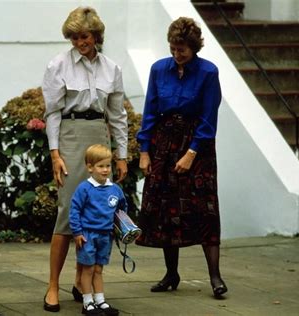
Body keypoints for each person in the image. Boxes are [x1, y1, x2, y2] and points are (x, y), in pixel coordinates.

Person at [42, 6, 128, 312]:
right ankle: (53, 286)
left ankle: (82, 281)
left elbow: (117, 115)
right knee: (68, 212)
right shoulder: (58, 65)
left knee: (98, 213)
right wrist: (55, 154)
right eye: (75, 37)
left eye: (86, 36)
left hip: (99, 134)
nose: (81, 42)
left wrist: (122, 155)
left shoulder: (111, 68)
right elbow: (52, 112)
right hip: (70, 135)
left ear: (96, 36)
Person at [135, 17, 227, 298]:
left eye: (182, 50)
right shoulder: (159, 69)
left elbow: (209, 118)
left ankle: (215, 276)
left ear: (194, 47)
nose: (177, 55)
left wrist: (191, 153)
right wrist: (144, 150)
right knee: (166, 208)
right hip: (163, 142)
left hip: (196, 143)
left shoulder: (208, 72)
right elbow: (150, 109)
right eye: (173, 49)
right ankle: (171, 273)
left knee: (205, 209)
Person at [69, 144, 123, 316]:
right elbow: (74, 210)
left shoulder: (115, 189)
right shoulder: (84, 188)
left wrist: (121, 228)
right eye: (101, 166)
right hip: (87, 236)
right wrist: (77, 233)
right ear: (90, 167)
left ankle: (100, 301)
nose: (105, 170)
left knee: (99, 270)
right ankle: (87, 303)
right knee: (88, 269)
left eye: (108, 165)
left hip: (106, 236)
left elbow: (122, 209)